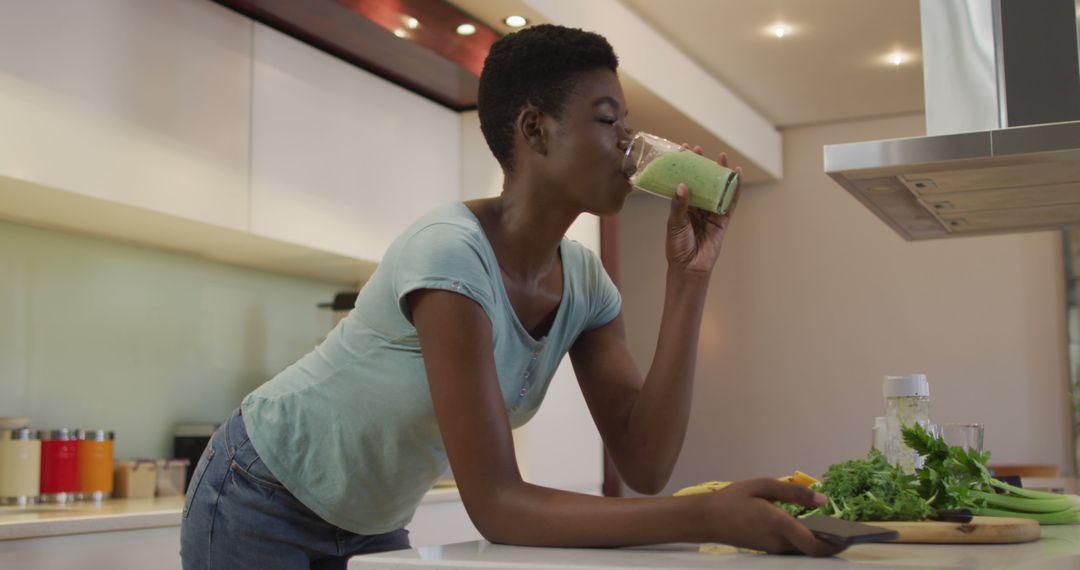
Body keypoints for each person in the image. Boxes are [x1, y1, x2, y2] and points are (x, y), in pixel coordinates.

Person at [179, 23, 842, 569]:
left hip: (370, 519)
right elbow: (496, 503)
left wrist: (689, 278)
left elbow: (645, 460)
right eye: (608, 122)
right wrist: (707, 511)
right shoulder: (449, 255)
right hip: (259, 492)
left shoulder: (583, 284)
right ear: (535, 130)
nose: (629, 149)